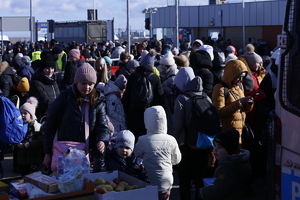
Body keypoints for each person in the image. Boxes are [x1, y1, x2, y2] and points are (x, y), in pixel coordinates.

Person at [42, 63, 111, 172]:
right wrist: (47, 153)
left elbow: (102, 126)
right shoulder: (65, 97)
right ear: (76, 82)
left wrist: (102, 140)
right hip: (63, 152)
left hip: (86, 153)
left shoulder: (98, 101)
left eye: (90, 84)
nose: (87, 87)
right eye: (83, 83)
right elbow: (50, 125)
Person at [173, 66, 213, 200]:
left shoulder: (181, 98)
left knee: (184, 178)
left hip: (186, 143)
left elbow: (178, 123)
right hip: (203, 142)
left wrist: (176, 137)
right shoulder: (206, 96)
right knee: (199, 177)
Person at [135, 105, 181, 200]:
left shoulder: (142, 140)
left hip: (148, 183)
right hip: (166, 183)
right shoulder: (171, 139)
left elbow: (136, 157)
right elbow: (177, 160)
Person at [198, 129, 252, 200]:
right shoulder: (240, 161)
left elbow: (218, 190)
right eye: (215, 146)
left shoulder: (227, 168)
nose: (215, 150)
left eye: (220, 147)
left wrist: (202, 192)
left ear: (230, 150)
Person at [212, 60, 253, 144]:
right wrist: (239, 103)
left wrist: (249, 103)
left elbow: (245, 110)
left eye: (243, 77)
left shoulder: (239, 86)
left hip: (240, 131)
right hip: (227, 132)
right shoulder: (220, 88)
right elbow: (219, 113)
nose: (241, 80)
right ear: (231, 75)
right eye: (239, 77)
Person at [16, 97, 43, 176]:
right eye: (21, 113)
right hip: (21, 160)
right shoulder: (19, 125)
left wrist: (30, 144)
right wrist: (17, 144)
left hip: (33, 159)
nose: (22, 115)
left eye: (25, 113)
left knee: (33, 177)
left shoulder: (36, 126)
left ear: (31, 115)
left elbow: (40, 140)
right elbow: (14, 138)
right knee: (22, 177)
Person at [29, 54, 60, 121]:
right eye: (47, 68)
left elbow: (59, 96)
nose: (50, 71)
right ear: (42, 69)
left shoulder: (53, 80)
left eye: (52, 68)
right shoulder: (36, 82)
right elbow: (45, 101)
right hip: (42, 117)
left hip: (54, 115)